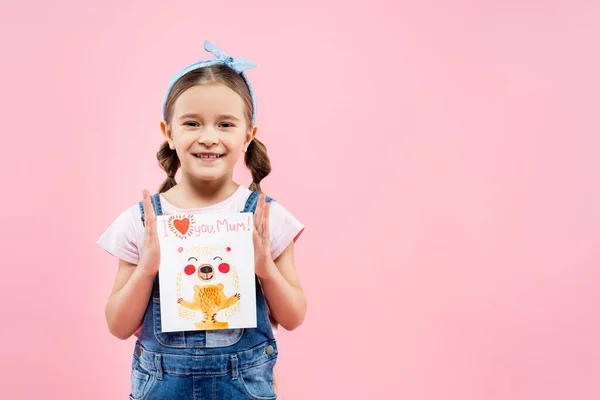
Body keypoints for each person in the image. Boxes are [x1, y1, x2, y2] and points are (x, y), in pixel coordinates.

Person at [97, 40, 306, 399]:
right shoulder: (144, 221)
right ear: (169, 132)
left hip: (243, 386)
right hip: (162, 385)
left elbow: (293, 317)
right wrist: (147, 268)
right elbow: (118, 325)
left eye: (225, 124)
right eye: (192, 123)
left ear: (248, 135)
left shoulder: (266, 217)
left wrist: (264, 269)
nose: (208, 138)